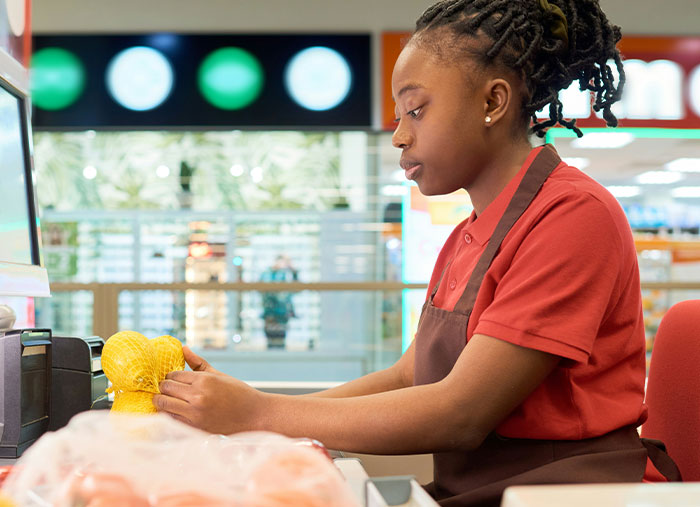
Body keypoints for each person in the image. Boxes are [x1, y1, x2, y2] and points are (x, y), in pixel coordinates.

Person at [154, 1, 681, 504]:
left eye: (416, 110)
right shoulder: (467, 234)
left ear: (492, 102)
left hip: (569, 493)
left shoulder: (572, 215)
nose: (399, 136)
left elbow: (460, 413)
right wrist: (250, 405)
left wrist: (258, 414)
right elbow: (409, 377)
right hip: (484, 488)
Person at [259, 255, 298, 349]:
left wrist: (293, 271)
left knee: (281, 339)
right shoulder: (266, 274)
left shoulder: (286, 274)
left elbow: (294, 289)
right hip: (270, 311)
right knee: (271, 339)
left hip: (282, 312)